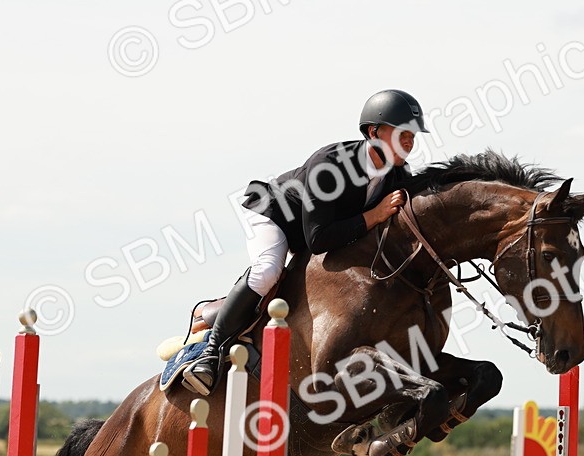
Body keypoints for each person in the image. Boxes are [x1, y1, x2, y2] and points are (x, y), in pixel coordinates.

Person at [181, 89, 429, 394]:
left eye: (414, 136)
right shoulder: (331, 164)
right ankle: (210, 351)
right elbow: (318, 239)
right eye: (403, 133)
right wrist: (375, 215)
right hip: (276, 215)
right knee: (269, 270)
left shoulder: (398, 174)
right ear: (375, 132)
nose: (409, 142)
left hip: (319, 229)